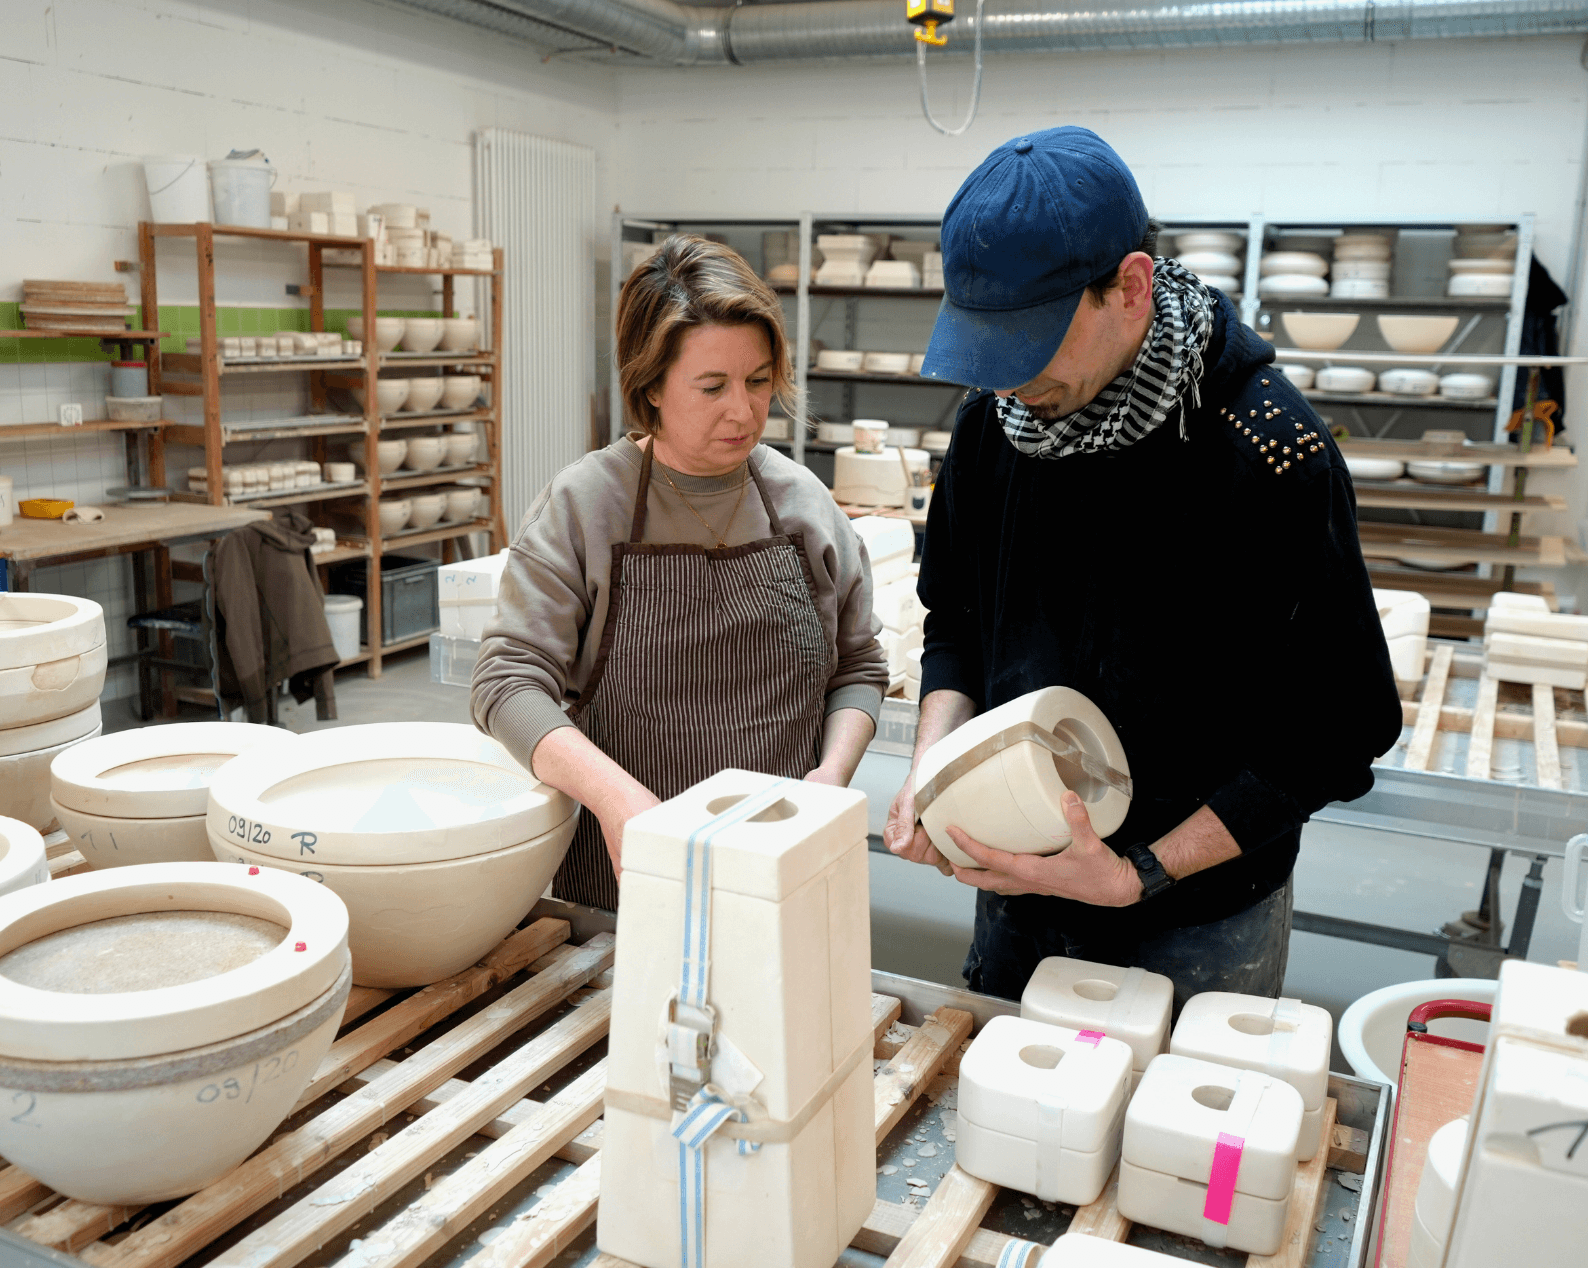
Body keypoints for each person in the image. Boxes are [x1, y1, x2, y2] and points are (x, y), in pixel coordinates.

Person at [884, 127, 1403, 1010]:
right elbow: (957, 625)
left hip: (1200, 917)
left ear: (1129, 286)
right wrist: (933, 768)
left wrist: (1140, 873)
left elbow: (1338, 729)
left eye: (1031, 344)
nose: (1008, 385)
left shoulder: (1268, 453)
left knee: (1182, 1145)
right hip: (1020, 887)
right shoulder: (990, 431)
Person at [473, 234, 889, 910]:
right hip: (628, 875)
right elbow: (506, 682)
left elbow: (859, 666)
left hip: (781, 867)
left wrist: (830, 778)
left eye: (758, 381)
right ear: (652, 386)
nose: (744, 410)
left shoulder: (801, 504)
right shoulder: (588, 506)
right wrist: (619, 802)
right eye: (712, 386)